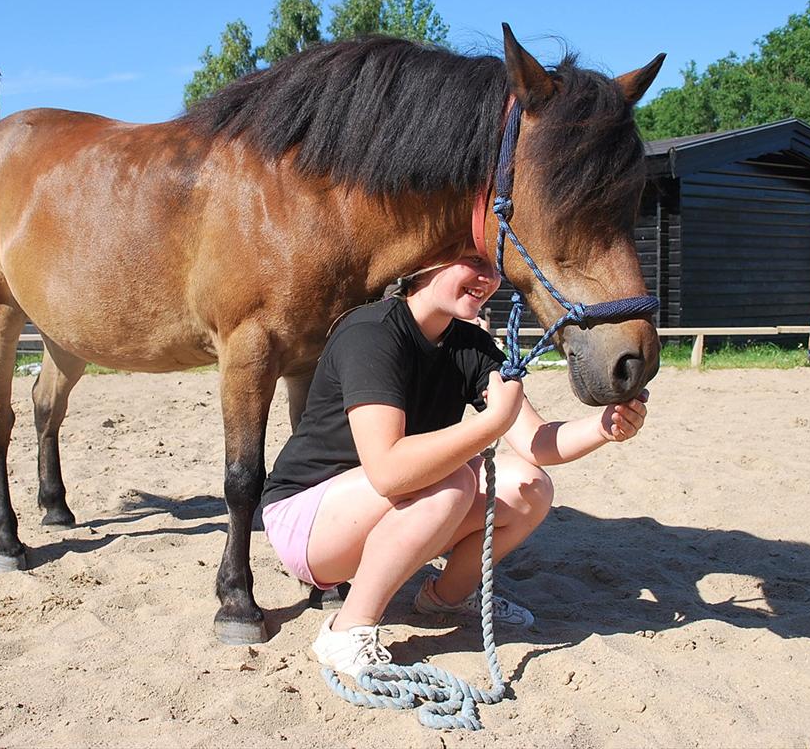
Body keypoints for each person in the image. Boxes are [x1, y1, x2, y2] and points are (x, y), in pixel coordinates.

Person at [260, 250, 649, 676]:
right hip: (308, 522)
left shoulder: (471, 345)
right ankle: (348, 627)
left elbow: (535, 443)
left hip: (392, 507)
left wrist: (603, 427)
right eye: (472, 261)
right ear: (424, 263)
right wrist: (491, 423)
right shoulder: (370, 332)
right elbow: (388, 471)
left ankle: (447, 597)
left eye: (493, 268)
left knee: (530, 487)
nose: (488, 278)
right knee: (453, 483)